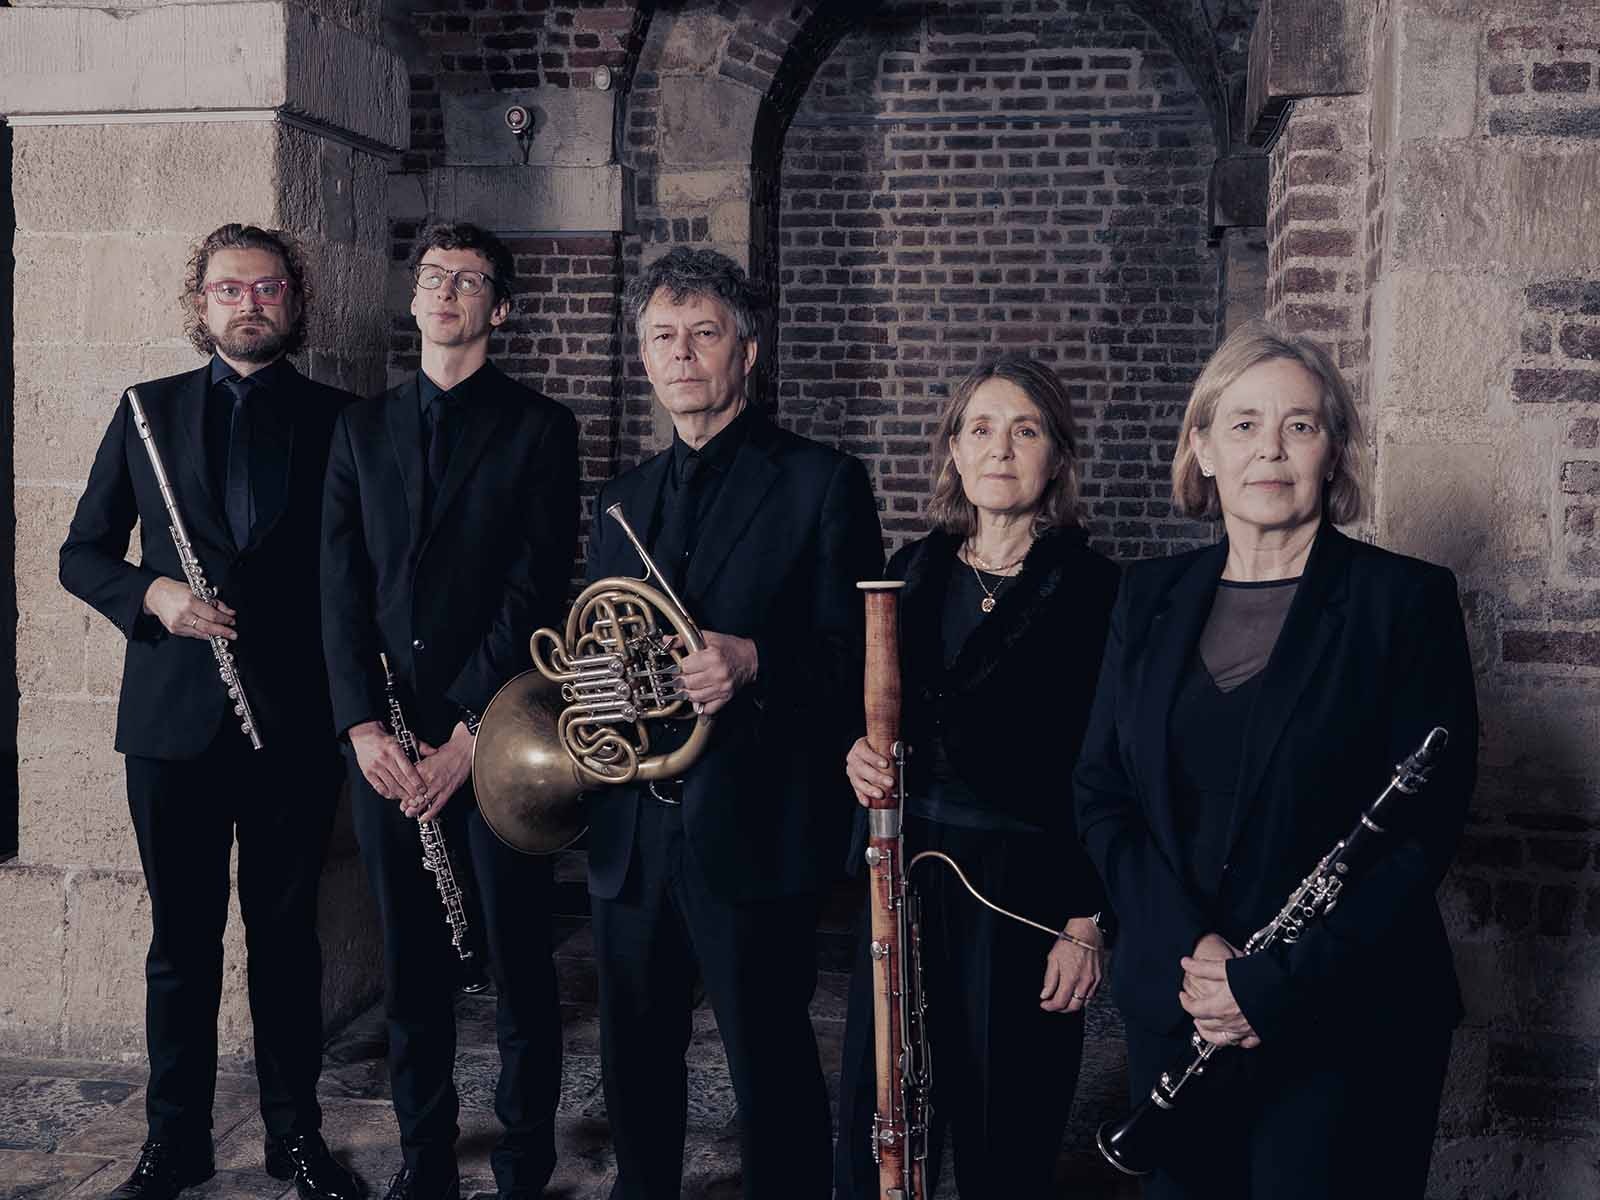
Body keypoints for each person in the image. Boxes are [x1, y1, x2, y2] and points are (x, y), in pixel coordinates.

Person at [1074, 320, 1478, 1197]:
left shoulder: (1403, 601)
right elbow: (1103, 795)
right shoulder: (1146, 598)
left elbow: (1421, 835)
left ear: (1334, 452)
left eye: (1301, 424)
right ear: (1204, 449)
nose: (1272, 449)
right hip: (1181, 1007)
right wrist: (1197, 955)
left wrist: (1269, 982)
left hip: (1345, 1017)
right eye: (1244, 423)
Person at [59, 224, 361, 1200]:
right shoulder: (146, 411)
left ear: (293, 300)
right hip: (174, 721)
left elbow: (358, 573)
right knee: (181, 945)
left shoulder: (343, 421)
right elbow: (84, 553)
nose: (249, 303)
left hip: (294, 721)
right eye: (229, 289)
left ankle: (295, 1138)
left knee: (285, 942)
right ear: (201, 305)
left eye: (267, 287)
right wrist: (155, 598)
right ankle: (174, 1144)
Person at [583, 246, 883, 1199]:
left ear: (746, 351)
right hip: (634, 830)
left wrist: (754, 660)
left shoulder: (822, 483)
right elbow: (604, 651)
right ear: (644, 357)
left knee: (768, 1062)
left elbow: (857, 665)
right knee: (633, 1061)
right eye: (663, 338)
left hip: (752, 821)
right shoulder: (622, 499)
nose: (682, 355)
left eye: (704, 334)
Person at [320, 221, 579, 1200]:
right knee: (411, 969)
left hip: (501, 731)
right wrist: (363, 729)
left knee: (518, 961)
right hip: (386, 743)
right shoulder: (359, 430)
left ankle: (522, 1167)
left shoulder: (539, 428)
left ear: (498, 309)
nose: (442, 291)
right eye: (430, 276)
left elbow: (532, 589)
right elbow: (338, 593)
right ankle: (424, 1168)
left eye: (466, 280)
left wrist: (467, 731)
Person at [834, 356, 1119, 1198]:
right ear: (953, 451)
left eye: (1025, 430)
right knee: (881, 1114)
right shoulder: (912, 566)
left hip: (1026, 887)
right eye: (981, 429)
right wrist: (855, 755)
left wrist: (1088, 919)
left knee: (1008, 1126)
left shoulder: (1102, 590)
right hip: (907, 870)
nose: (1001, 449)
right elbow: (873, 719)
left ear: (1057, 458)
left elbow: (1114, 762)